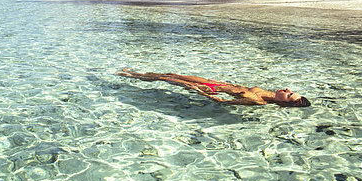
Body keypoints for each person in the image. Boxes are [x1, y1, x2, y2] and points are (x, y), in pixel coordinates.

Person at [117, 68, 311, 107]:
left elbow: (224, 101)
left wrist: (201, 92)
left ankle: (130, 75)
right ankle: (136, 74)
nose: (286, 90)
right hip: (215, 83)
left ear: (281, 103)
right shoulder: (268, 93)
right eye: (290, 91)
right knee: (171, 74)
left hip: (211, 89)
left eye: (288, 95)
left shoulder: (258, 101)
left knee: (164, 79)